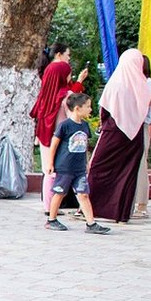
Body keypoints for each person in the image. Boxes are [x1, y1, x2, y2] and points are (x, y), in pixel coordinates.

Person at [87, 48, 151, 224]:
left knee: (98, 169)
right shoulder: (142, 85)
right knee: (126, 174)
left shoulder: (116, 83)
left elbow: (104, 111)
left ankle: (91, 208)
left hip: (113, 133)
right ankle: (121, 214)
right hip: (134, 136)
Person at [44, 93, 111, 233]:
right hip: (65, 167)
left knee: (83, 194)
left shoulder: (85, 126)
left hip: (79, 168)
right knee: (60, 193)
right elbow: (54, 144)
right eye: (87, 106)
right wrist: (50, 163)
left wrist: (87, 163)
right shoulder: (65, 126)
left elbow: (85, 146)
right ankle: (51, 219)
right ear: (77, 108)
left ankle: (91, 223)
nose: (90, 110)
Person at [31, 43, 87, 207]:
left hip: (45, 136)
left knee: (47, 171)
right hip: (61, 139)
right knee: (55, 173)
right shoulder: (66, 95)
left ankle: (48, 205)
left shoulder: (47, 94)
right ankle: (51, 209)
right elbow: (75, 109)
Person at [139, 57, 151, 218]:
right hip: (130, 125)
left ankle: (142, 203)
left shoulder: (149, 82)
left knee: (141, 162)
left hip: (142, 123)